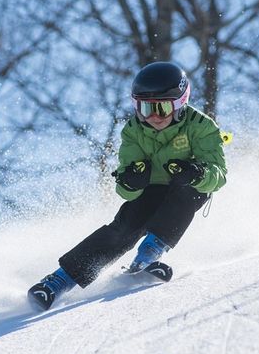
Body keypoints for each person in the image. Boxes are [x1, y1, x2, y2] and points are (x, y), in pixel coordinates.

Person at [28, 61, 227, 311]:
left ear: (179, 104)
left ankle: (148, 255)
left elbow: (219, 175)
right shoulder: (133, 131)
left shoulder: (201, 126)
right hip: (152, 189)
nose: (153, 117)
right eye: (145, 108)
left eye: (162, 108)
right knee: (126, 225)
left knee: (188, 192)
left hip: (187, 187)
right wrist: (131, 181)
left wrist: (197, 172)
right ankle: (58, 282)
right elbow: (125, 189)